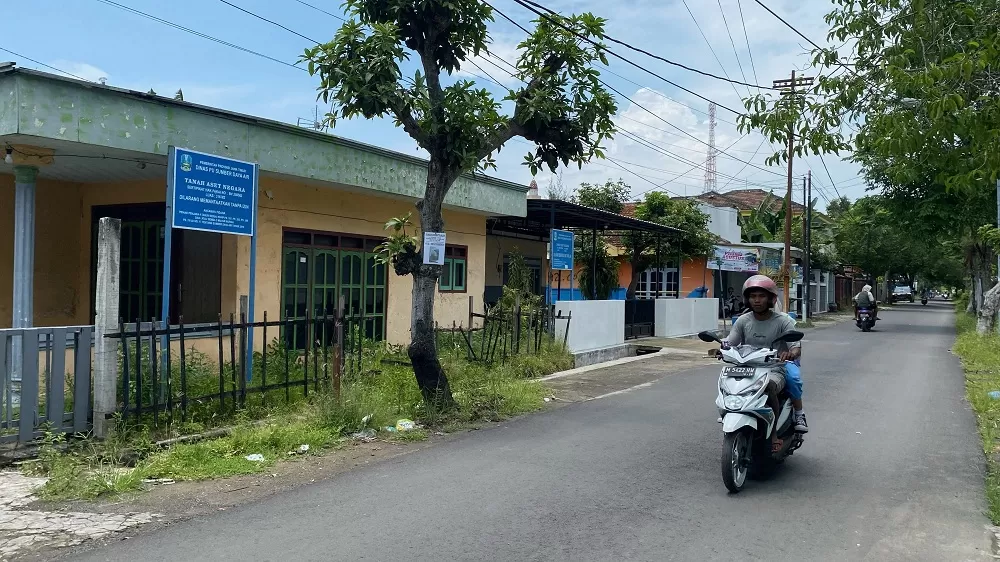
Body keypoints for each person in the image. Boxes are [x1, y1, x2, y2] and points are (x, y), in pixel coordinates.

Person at [722, 275, 807, 451]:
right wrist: (722, 348)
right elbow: (731, 342)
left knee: (768, 386)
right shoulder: (743, 321)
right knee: (727, 381)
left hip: (774, 368)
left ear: (770, 299)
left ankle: (774, 432)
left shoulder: (782, 321)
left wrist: (791, 353)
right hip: (747, 367)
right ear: (747, 299)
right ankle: (730, 412)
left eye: (761, 296)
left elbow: (796, 347)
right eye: (753, 296)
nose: (757, 300)